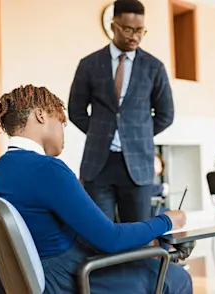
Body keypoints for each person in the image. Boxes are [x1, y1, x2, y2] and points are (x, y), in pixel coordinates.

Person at [0, 85, 191, 294]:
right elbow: (111, 239)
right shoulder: (48, 169)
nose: (63, 134)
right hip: (70, 279)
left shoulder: (0, 170)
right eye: (61, 122)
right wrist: (166, 221)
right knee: (175, 278)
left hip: (40, 278)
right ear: (40, 115)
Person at [68, 0, 174, 223]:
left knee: (137, 239)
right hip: (98, 165)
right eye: (128, 29)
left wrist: (135, 135)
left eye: (140, 30)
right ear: (113, 26)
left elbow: (166, 114)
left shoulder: (154, 67)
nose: (134, 36)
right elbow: (76, 110)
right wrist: (99, 132)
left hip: (138, 167)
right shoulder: (89, 64)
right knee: (99, 237)